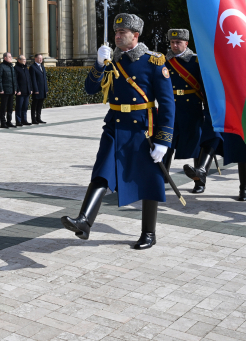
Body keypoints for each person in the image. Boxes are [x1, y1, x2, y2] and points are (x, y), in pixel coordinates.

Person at [62, 13, 175, 250]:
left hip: (143, 128)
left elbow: (167, 103)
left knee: (149, 181)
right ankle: (84, 221)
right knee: (101, 173)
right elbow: (90, 89)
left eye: (122, 32)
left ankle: (148, 233)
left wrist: (163, 140)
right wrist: (98, 64)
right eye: (116, 32)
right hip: (115, 125)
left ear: (135, 35)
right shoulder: (112, 60)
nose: (117, 36)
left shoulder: (153, 61)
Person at [164, 29, 205, 171]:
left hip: (191, 108)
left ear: (186, 43)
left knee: (196, 142)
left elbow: (204, 86)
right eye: (172, 42)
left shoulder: (196, 60)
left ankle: (199, 178)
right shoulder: (164, 61)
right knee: (166, 141)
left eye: (178, 42)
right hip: (171, 107)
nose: (174, 45)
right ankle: (163, 175)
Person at [0, 52, 17, 128]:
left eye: (11, 57)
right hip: (4, 90)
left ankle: (9, 121)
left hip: (11, 90)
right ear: (5, 58)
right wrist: (0, 89)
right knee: (3, 107)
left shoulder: (11, 66)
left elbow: (14, 79)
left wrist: (15, 89)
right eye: (9, 57)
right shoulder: (1, 66)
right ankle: (3, 122)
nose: (11, 58)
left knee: (10, 107)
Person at [29, 53, 48, 124]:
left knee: (40, 105)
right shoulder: (32, 67)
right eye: (39, 58)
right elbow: (33, 80)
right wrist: (35, 89)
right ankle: (33, 119)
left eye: (41, 58)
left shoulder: (42, 67)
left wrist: (46, 89)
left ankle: (38, 118)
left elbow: (44, 79)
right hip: (37, 90)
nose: (41, 60)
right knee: (35, 105)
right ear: (35, 59)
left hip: (42, 89)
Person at [14, 55, 31, 126]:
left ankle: (24, 120)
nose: (25, 60)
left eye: (25, 59)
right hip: (20, 92)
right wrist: (18, 90)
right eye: (23, 59)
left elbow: (29, 80)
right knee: (19, 107)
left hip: (27, 91)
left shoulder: (26, 68)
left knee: (25, 107)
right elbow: (15, 80)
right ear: (19, 60)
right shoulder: (16, 68)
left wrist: (30, 89)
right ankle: (18, 121)